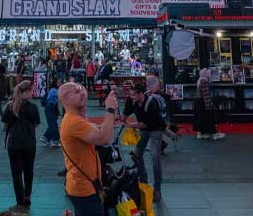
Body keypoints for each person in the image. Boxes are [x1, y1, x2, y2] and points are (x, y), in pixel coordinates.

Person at [59, 84, 120, 216]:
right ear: (66, 99)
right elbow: (104, 138)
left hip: (86, 185)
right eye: (76, 92)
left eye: (82, 91)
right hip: (84, 188)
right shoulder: (74, 122)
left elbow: (99, 130)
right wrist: (110, 110)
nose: (82, 94)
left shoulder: (76, 119)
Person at [2, 80, 41, 211]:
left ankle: (19, 200)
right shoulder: (33, 107)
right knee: (28, 171)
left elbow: (5, 124)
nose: (32, 92)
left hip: (14, 143)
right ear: (25, 92)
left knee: (16, 173)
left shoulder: (9, 106)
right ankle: (27, 196)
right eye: (31, 90)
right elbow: (36, 124)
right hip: (29, 143)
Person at [124, 82, 167, 201]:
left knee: (155, 158)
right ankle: (143, 181)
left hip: (155, 129)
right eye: (130, 95)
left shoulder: (152, 104)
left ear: (140, 94)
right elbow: (124, 116)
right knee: (137, 155)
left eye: (133, 95)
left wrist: (131, 125)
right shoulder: (132, 101)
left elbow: (144, 124)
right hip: (144, 128)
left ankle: (157, 190)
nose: (131, 97)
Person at [195, 68, 222, 139]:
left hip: (199, 102)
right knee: (209, 117)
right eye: (210, 74)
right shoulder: (205, 81)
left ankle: (201, 133)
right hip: (204, 102)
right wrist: (210, 105)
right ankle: (214, 134)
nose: (211, 75)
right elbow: (206, 95)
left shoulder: (200, 80)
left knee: (201, 118)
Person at [41, 84, 61, 148]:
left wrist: (57, 115)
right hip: (49, 107)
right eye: (59, 82)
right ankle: (55, 141)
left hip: (49, 108)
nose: (60, 83)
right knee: (54, 125)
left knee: (53, 124)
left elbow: (55, 105)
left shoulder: (52, 91)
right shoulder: (54, 90)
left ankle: (46, 138)